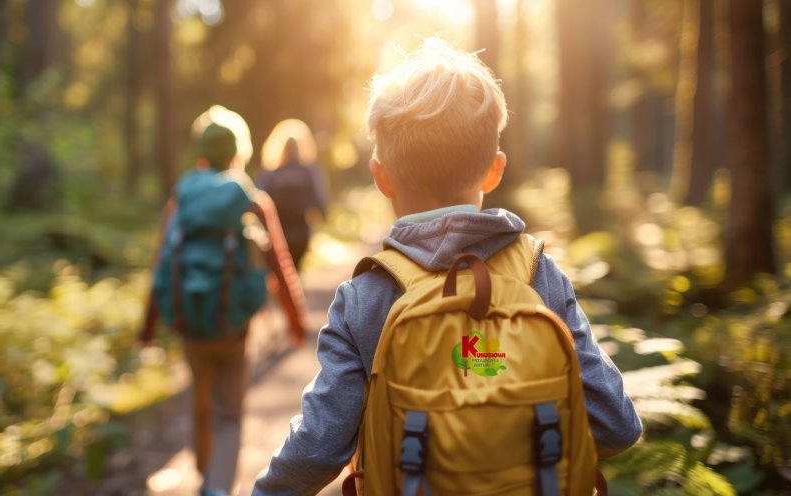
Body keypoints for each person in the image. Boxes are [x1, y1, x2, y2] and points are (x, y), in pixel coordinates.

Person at [252, 39, 642, 495]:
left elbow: (320, 446)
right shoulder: (538, 274)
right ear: (494, 171)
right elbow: (617, 427)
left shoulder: (365, 296)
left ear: (381, 177)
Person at [140, 106, 307, 496]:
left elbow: (162, 260)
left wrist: (147, 328)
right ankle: (217, 488)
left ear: (200, 154)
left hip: (189, 322)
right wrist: (295, 322)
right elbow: (279, 264)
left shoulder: (181, 196)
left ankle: (203, 476)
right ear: (238, 154)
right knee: (229, 414)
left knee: (200, 404)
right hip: (233, 324)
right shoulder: (249, 197)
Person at [256, 119, 328, 269]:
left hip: (276, 233)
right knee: (296, 269)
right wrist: (323, 217)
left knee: (280, 271)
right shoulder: (309, 171)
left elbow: (258, 198)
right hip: (301, 232)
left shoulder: (271, 174)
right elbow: (320, 199)